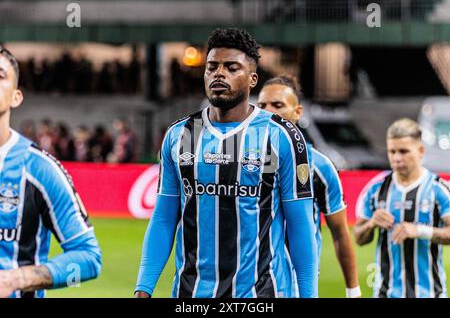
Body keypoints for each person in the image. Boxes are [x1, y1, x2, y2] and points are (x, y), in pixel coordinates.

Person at [135, 28, 318, 298]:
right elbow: (163, 218)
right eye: (212, 67)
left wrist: (308, 294)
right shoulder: (179, 135)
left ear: (253, 78)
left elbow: (301, 224)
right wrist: (144, 287)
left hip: (262, 295)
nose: (219, 74)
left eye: (231, 67)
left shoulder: (281, 136)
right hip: (192, 295)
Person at [0, 47, 101, 298]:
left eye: (0, 75)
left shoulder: (40, 169)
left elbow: (88, 258)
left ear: (16, 97)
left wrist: (15, 278)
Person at [257, 75, 361, 298]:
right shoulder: (242, 164)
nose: (267, 111)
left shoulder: (318, 167)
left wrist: (354, 291)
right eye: (261, 105)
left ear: (298, 112)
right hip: (246, 284)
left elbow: (340, 233)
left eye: (278, 105)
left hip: (295, 286)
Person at [354, 118, 450, 298]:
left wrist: (420, 230)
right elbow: (358, 237)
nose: (397, 158)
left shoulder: (438, 188)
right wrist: (372, 223)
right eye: (392, 151)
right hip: (386, 293)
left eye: (404, 151)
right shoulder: (376, 189)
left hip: (430, 293)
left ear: (421, 150)